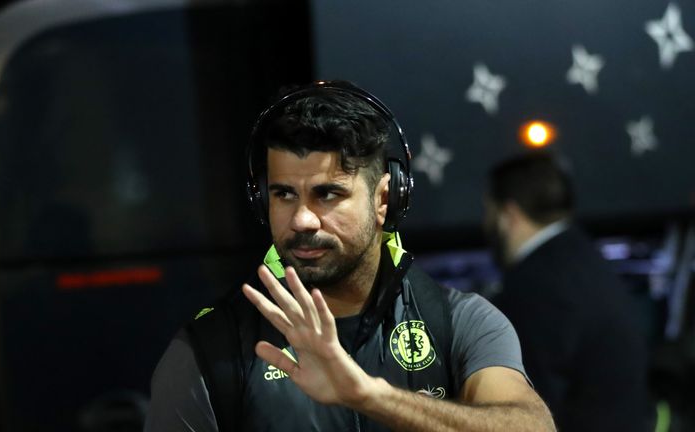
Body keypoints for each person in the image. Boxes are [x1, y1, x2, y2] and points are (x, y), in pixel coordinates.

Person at [144, 81, 555, 431]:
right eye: (284, 194)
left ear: (384, 201)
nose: (302, 219)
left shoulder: (461, 322)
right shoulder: (207, 349)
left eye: (328, 194)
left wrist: (369, 396)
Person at [484, 153, 650, 432]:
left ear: (507, 216)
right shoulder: (584, 258)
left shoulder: (535, 285)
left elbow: (527, 409)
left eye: (487, 212)